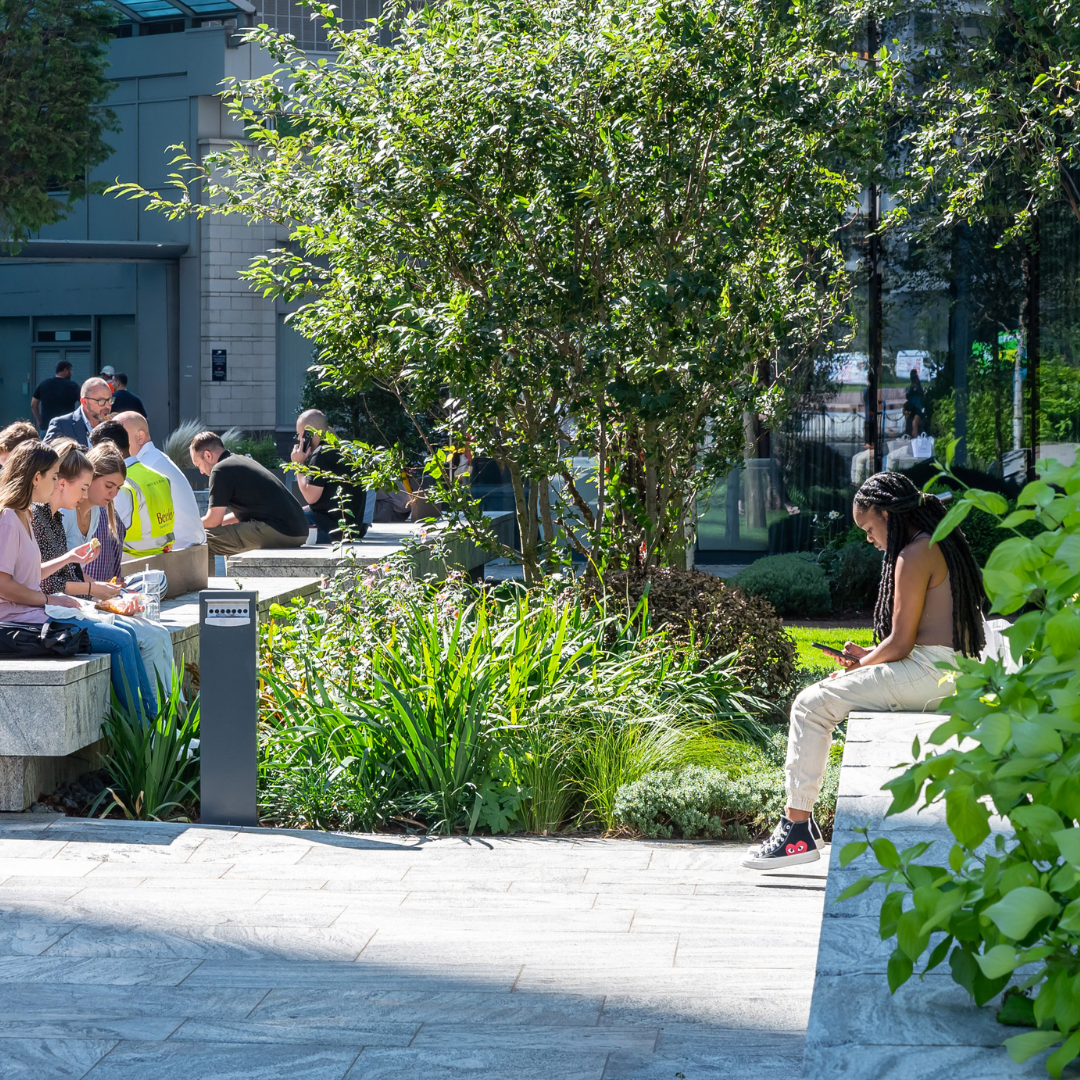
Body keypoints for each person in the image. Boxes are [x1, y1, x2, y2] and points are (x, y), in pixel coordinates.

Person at [743, 470, 987, 870]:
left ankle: (797, 831)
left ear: (887, 514)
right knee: (819, 700)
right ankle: (803, 829)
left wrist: (860, 664)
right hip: (946, 668)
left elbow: (902, 644)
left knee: (810, 705)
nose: (869, 539)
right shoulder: (932, 543)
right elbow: (916, 638)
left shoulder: (912, 555)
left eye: (869, 528)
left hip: (930, 673)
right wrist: (868, 657)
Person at [0, 440, 154, 716]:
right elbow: (3, 584)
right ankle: (148, 735)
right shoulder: (9, 518)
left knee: (127, 633)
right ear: (37, 478)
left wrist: (69, 558)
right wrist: (50, 598)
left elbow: (30, 573)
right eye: (54, 475)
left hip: (37, 613)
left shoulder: (24, 515)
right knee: (120, 640)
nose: (58, 481)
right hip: (22, 621)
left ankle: (155, 727)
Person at [189, 430, 307, 571]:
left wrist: (188, 527)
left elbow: (214, 521)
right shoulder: (240, 461)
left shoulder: (220, 470)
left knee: (202, 541)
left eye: (198, 465)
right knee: (226, 537)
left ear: (208, 455)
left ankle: (203, 592)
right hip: (297, 529)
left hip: (280, 530)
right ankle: (237, 587)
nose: (201, 472)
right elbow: (241, 514)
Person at [114, 411, 204, 548]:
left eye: (120, 436)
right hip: (185, 547)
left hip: (176, 551)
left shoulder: (146, 467)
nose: (115, 442)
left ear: (140, 437)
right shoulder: (155, 460)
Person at [92, 420, 175, 557]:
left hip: (130, 563)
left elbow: (106, 538)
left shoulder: (120, 487)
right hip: (163, 558)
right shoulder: (160, 477)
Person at [290, 409, 372, 543]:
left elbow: (310, 497)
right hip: (350, 529)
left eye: (299, 434)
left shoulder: (321, 454)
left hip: (329, 530)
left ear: (309, 434)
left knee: (280, 520)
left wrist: (298, 465)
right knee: (295, 510)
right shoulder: (344, 450)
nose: (299, 439)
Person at [61, 442, 129, 582]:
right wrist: (97, 588)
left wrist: (105, 588)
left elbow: (75, 572)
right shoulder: (65, 511)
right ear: (90, 477)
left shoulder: (96, 512)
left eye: (118, 488)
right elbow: (53, 573)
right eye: (108, 486)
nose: (114, 493)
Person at [44, 377, 113, 447]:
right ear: (85, 402)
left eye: (110, 400)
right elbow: (44, 453)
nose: (108, 406)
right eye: (101, 401)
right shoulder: (61, 425)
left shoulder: (113, 426)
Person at [31, 361, 81, 435]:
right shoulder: (72, 386)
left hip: (46, 427)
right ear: (65, 371)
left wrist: (39, 420)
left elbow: (33, 404)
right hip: (67, 428)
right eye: (70, 370)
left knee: (45, 446)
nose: (71, 373)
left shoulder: (44, 384)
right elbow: (84, 402)